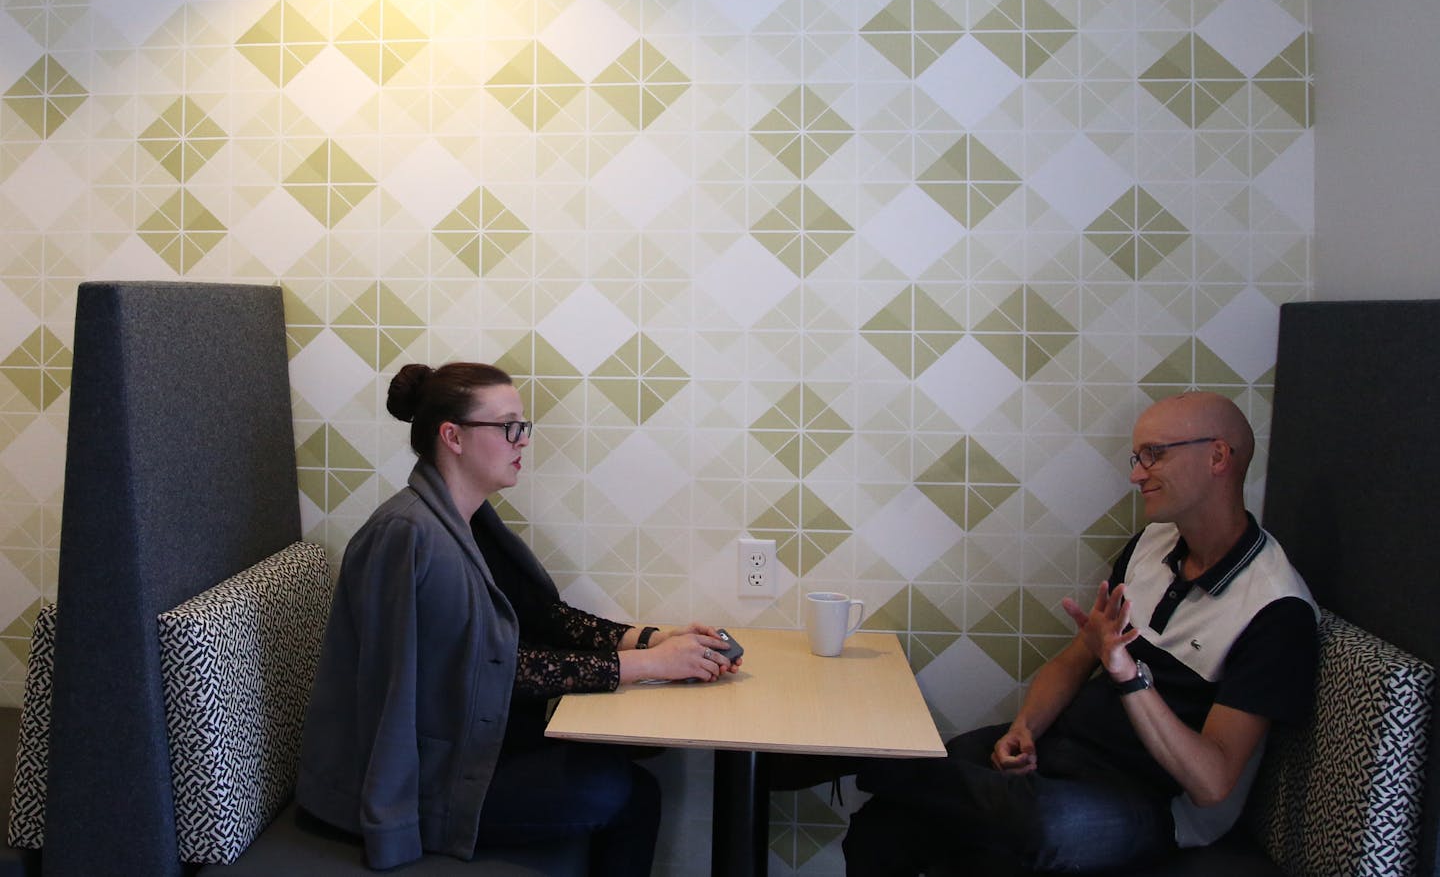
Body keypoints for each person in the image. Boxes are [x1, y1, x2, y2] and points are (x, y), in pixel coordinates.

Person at [842, 392, 1318, 874]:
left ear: (1217, 455)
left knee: (1043, 826)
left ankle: (879, 765)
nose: (1137, 474)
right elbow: (1075, 661)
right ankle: (897, 769)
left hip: (1148, 803)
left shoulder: (1275, 608)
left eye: (1155, 454)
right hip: (1064, 753)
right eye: (1137, 458)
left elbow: (1212, 781)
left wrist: (1130, 677)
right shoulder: (1154, 544)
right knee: (878, 829)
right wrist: (1025, 730)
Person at [297, 361, 741, 873]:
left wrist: (651, 639)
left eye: (522, 426)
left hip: (460, 744)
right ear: (453, 437)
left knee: (633, 778)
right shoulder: (405, 535)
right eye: (510, 426)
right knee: (610, 788)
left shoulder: (467, 520)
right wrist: (650, 666)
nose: (523, 441)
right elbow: (480, 669)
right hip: (420, 780)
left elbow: (540, 618)